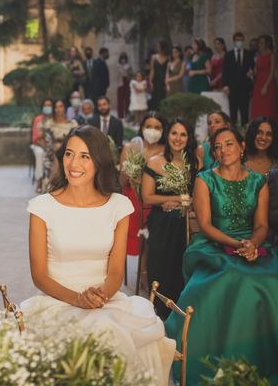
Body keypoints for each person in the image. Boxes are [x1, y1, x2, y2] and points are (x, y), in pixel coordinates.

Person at [20, 125, 175, 386]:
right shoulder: (42, 207)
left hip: (106, 300)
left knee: (119, 331)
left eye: (84, 156)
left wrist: (98, 296)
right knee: (103, 333)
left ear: (99, 161)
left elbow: (115, 273)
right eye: (69, 154)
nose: (74, 163)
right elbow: (39, 275)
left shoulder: (119, 206)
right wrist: (77, 299)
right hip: (57, 301)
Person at [166, 126, 278, 384]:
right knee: (235, 276)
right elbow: (205, 225)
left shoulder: (259, 181)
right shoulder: (205, 179)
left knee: (272, 278)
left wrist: (252, 244)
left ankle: (262, 360)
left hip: (254, 245)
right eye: (217, 146)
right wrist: (237, 244)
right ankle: (220, 358)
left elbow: (262, 225)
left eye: (228, 144)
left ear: (241, 147)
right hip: (214, 245)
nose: (222, 150)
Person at [142, 118, 199, 318]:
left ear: (189, 138)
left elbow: (199, 195)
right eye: (174, 133)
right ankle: (160, 306)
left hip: (188, 222)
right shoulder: (155, 162)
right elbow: (147, 196)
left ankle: (184, 305)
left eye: (183, 134)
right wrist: (176, 198)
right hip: (162, 221)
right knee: (171, 222)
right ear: (167, 135)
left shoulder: (195, 163)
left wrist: (186, 203)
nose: (178, 138)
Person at [118, 112, 166, 288]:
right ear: (142, 128)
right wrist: (129, 171)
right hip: (133, 199)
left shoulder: (165, 151)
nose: (152, 131)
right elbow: (122, 182)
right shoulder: (131, 148)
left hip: (155, 199)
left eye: (157, 127)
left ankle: (146, 271)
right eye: (149, 126)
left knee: (154, 231)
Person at [40, 99, 77, 192]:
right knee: (50, 161)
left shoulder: (72, 124)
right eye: (56, 107)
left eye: (60, 106)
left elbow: (76, 141)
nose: (58, 109)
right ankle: (51, 190)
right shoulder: (49, 124)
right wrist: (56, 154)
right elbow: (48, 142)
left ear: (65, 108)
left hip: (69, 153)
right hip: (52, 153)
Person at [223, 32, 255, 127]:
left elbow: (253, 68)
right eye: (237, 40)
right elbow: (225, 71)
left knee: (244, 112)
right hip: (232, 88)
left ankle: (245, 132)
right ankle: (234, 132)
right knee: (233, 112)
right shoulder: (228, 55)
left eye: (241, 40)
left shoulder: (248, 54)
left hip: (245, 87)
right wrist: (225, 86)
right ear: (234, 41)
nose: (239, 42)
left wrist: (251, 74)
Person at [250, 35, 276, 119]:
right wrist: (250, 73)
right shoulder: (259, 56)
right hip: (258, 84)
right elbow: (255, 71)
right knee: (258, 108)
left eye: (261, 43)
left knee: (268, 108)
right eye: (259, 43)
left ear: (267, 44)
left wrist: (266, 86)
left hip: (268, 84)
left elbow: (272, 72)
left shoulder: (272, 55)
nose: (259, 45)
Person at [30, 98, 53, 192]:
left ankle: (52, 181)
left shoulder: (54, 119)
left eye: (49, 105)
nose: (47, 107)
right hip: (38, 144)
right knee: (40, 153)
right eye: (45, 105)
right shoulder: (38, 119)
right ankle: (39, 181)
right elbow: (35, 138)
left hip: (51, 144)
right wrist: (44, 146)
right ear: (42, 107)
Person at [149, 40, 170, 111]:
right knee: (155, 97)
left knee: (163, 97)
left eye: (159, 46)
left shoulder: (168, 58)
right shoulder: (154, 57)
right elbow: (152, 70)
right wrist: (150, 81)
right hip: (156, 80)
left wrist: (167, 83)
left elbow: (168, 71)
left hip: (164, 80)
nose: (157, 48)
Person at [116, 52, 132, 119]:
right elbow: (118, 74)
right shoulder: (118, 65)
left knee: (127, 99)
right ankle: (120, 115)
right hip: (120, 83)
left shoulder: (129, 66)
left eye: (124, 58)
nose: (123, 60)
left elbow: (130, 74)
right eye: (122, 58)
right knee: (120, 99)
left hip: (127, 82)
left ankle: (127, 113)